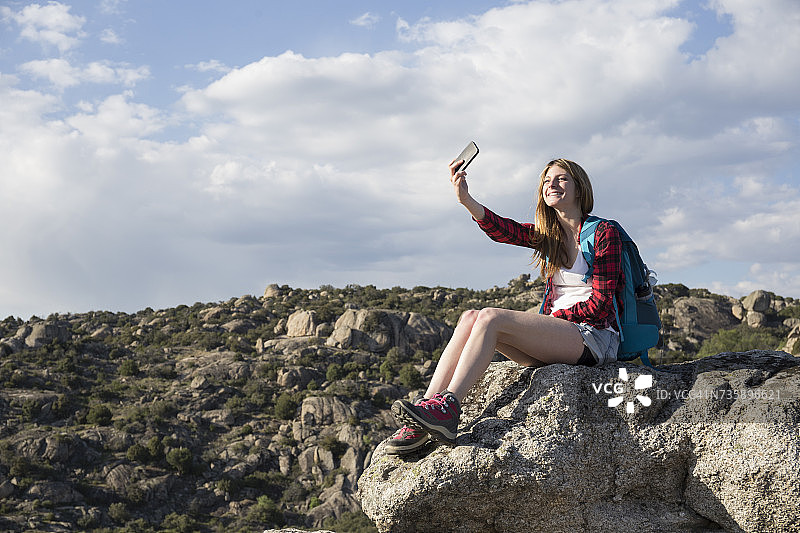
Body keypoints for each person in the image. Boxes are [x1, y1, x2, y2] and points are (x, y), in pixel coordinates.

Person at [384, 157, 624, 456]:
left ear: (579, 188)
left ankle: (449, 408)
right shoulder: (548, 236)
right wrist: (466, 200)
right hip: (560, 338)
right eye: (547, 180)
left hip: (594, 338)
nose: (552, 184)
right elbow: (505, 230)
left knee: (491, 318)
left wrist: (553, 319)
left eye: (562, 179)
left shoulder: (603, 232)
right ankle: (426, 414)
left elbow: (601, 304)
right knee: (471, 316)